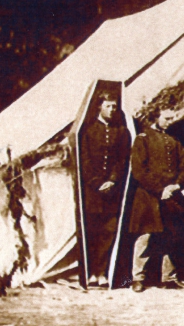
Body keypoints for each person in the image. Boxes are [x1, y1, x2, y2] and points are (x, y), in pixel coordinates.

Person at [128, 106, 184, 293]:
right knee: (145, 237)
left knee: (170, 236)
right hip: (149, 196)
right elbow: (139, 171)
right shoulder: (143, 139)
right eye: (166, 118)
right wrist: (159, 189)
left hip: (170, 196)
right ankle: (138, 278)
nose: (169, 121)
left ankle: (168, 277)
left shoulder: (174, 141)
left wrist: (176, 186)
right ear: (156, 117)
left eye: (172, 118)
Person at [79, 91, 131, 287]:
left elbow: (122, 160)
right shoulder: (89, 130)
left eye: (114, 106)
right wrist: (96, 182)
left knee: (108, 231)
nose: (112, 110)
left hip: (112, 191)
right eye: (108, 106)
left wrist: (113, 181)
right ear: (99, 107)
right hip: (93, 191)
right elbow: (85, 160)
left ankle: (101, 272)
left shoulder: (121, 131)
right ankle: (90, 271)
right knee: (92, 230)